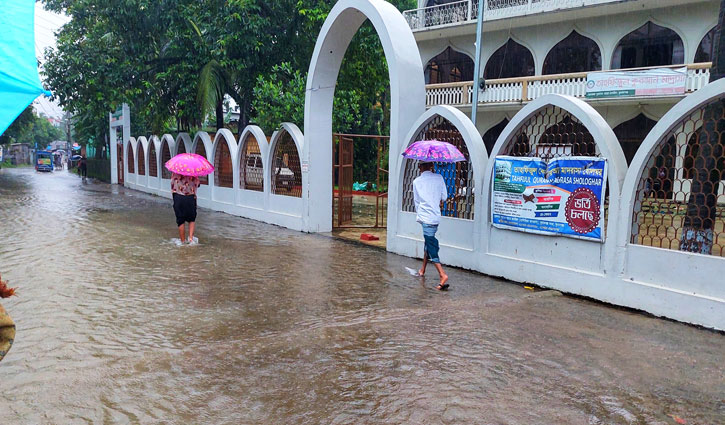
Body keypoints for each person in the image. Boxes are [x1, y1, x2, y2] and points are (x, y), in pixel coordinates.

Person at [413, 162, 449, 290]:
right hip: (435, 216)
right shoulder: (439, 178)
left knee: (431, 245)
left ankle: (442, 275)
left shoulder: (417, 182)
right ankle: (422, 269)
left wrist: (421, 213)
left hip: (425, 217)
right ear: (431, 166)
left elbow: (416, 202)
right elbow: (444, 197)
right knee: (428, 243)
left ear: (420, 168)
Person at [171, 172, 201, 244]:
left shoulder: (175, 172)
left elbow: (172, 184)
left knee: (180, 220)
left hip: (178, 198)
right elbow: (198, 184)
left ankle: (182, 241)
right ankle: (190, 239)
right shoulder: (193, 173)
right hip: (190, 198)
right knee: (191, 219)